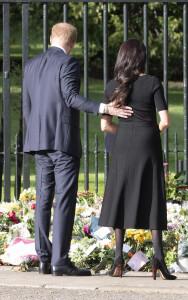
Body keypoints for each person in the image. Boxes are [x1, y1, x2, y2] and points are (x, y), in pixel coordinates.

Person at [23, 22, 133, 276]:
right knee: (63, 200)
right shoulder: (68, 63)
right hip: (62, 142)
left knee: (43, 199)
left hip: (38, 142)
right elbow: (70, 97)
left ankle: (44, 258)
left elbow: (27, 106)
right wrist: (105, 108)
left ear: (50, 37)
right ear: (72, 44)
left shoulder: (31, 64)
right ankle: (60, 261)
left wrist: (35, 134)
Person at [98, 39, 176, 280]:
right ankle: (159, 260)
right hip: (148, 145)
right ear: (141, 58)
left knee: (120, 194)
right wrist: (148, 133)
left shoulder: (113, 85)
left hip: (122, 146)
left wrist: (127, 133)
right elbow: (164, 121)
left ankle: (118, 263)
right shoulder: (152, 82)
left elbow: (105, 125)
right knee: (153, 195)